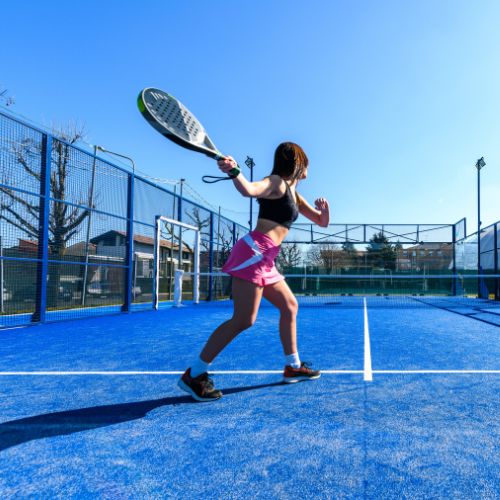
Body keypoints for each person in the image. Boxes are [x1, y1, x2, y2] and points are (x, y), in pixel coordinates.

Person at [178, 142, 330, 402]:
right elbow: (248, 190)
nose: (308, 168)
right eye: (305, 163)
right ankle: (195, 373)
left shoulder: (294, 193)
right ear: (297, 163)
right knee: (243, 320)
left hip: (266, 258)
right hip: (253, 253)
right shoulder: (276, 182)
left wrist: (325, 210)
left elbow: (321, 222)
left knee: (290, 306)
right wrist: (234, 170)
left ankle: (293, 366)